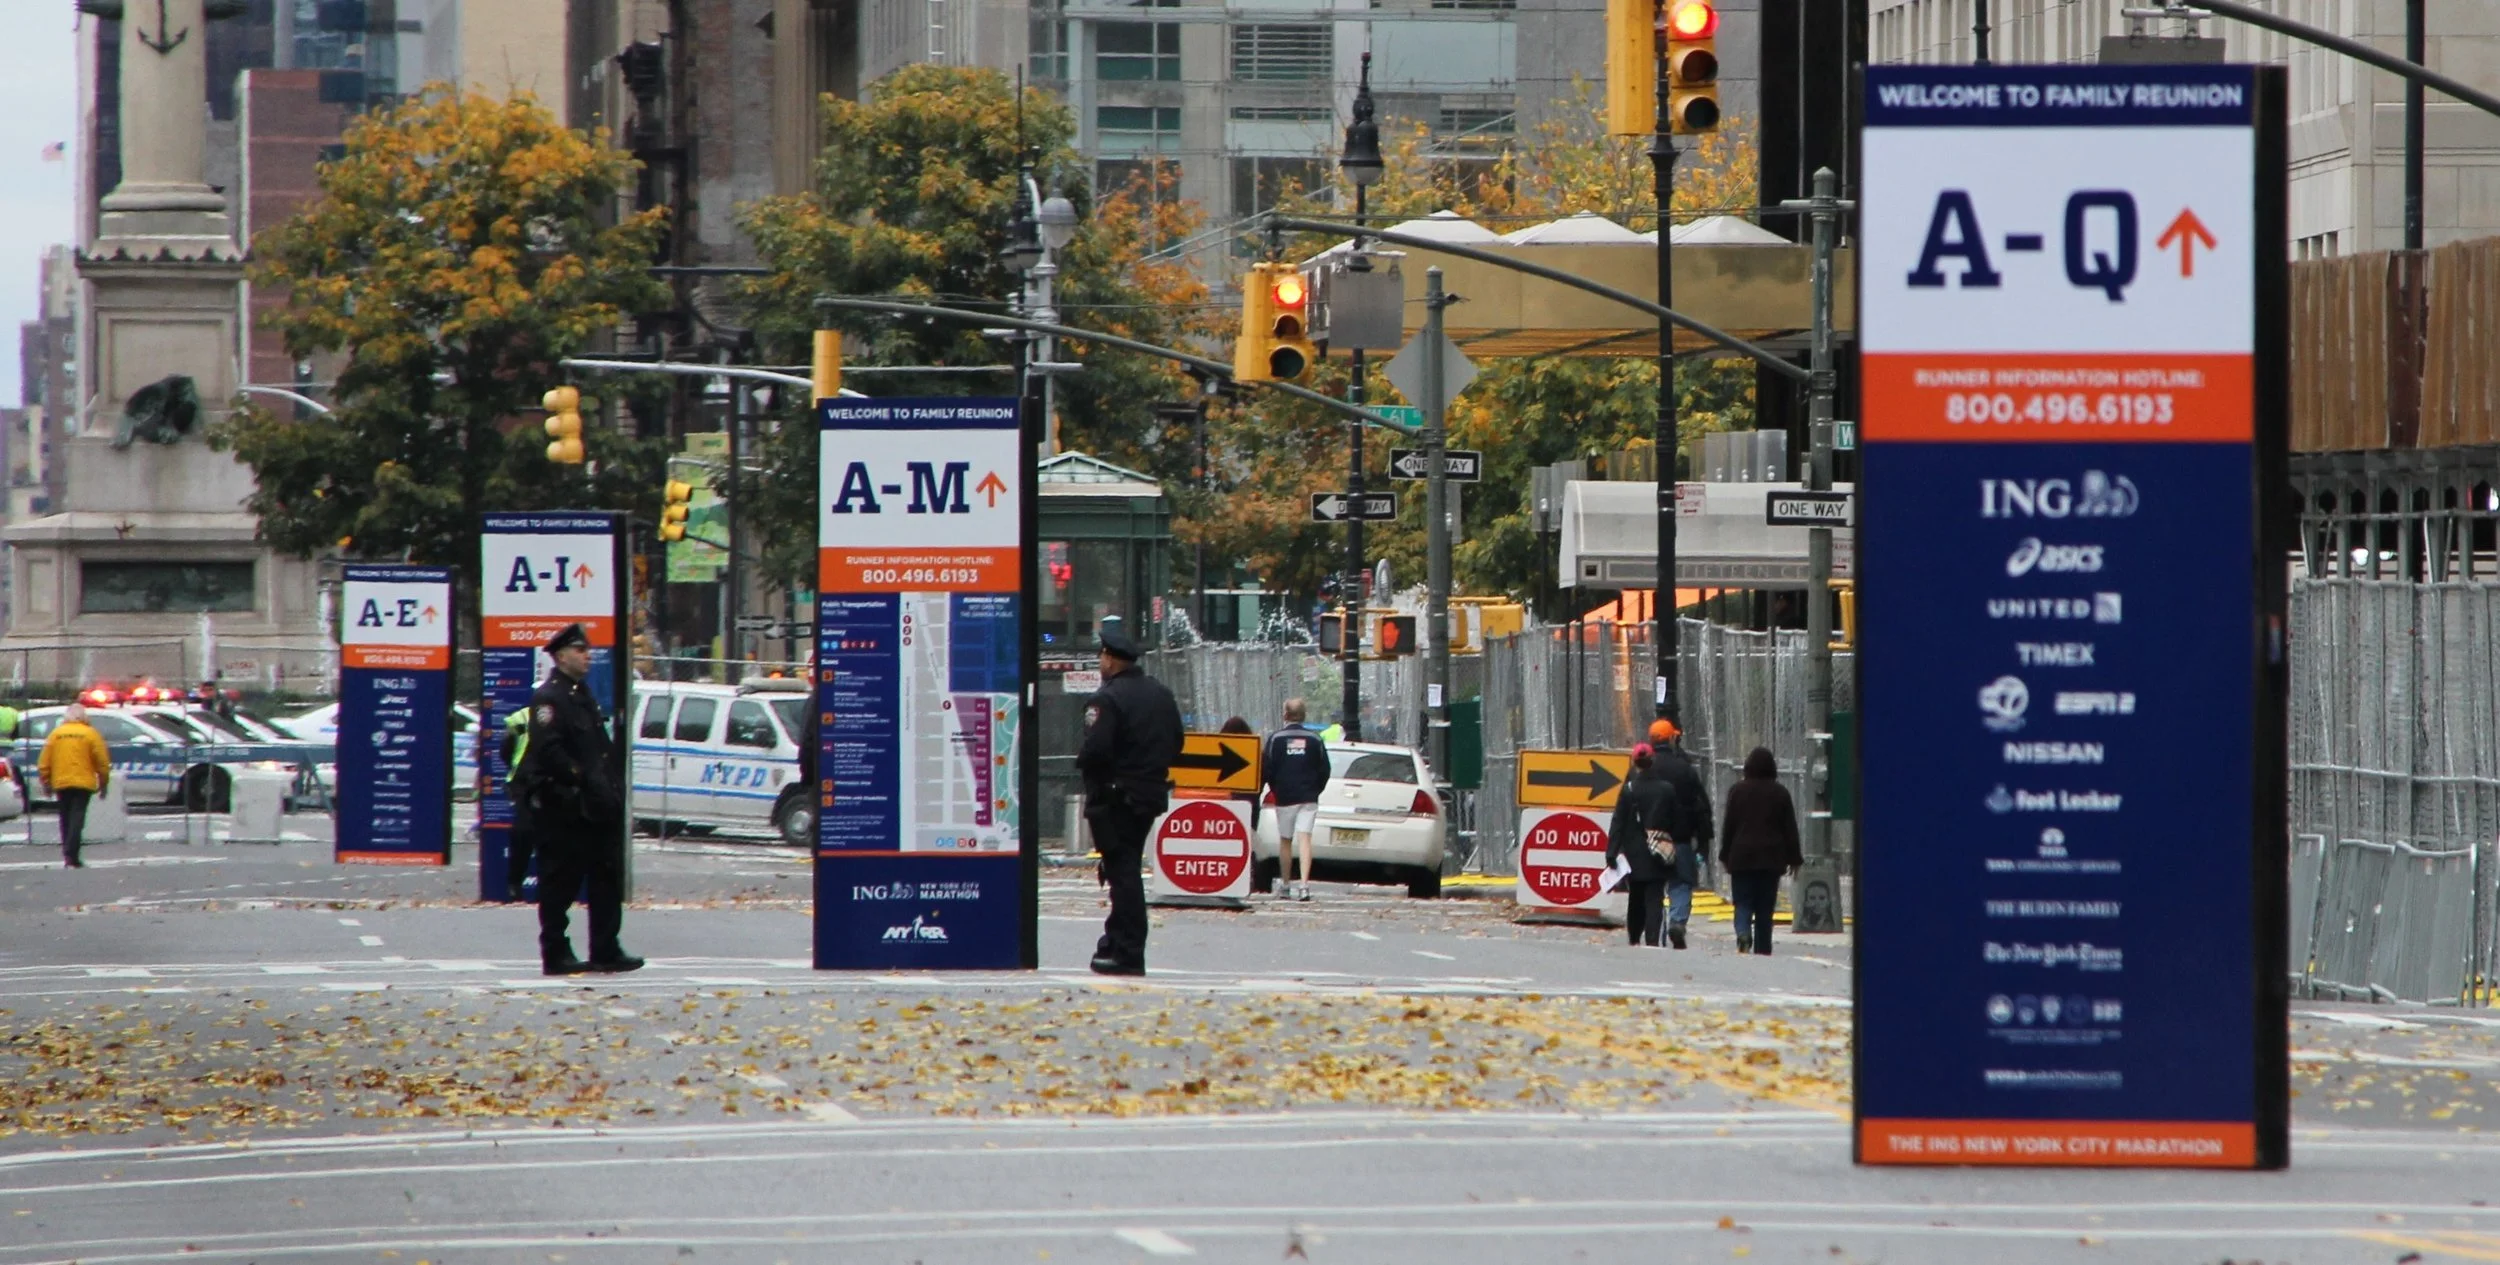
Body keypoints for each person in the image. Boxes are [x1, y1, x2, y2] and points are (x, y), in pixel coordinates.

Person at [515, 624, 641, 975]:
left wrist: (609, 785)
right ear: (560, 656)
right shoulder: (549, 697)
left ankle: (606, 947)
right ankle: (555, 951)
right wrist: (582, 779)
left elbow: (598, 749)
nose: (588, 656)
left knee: (606, 878)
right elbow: (549, 749)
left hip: (596, 807)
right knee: (560, 881)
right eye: (580, 650)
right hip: (567, 808)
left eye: (587, 650)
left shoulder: (581, 693)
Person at [1076, 626, 1182, 976]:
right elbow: (1177, 743)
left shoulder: (1108, 699)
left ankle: (1128, 950)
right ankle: (1115, 940)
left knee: (1123, 874)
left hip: (1115, 796)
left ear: (1110, 658)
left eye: (1102, 657)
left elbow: (1096, 750)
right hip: (1149, 795)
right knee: (1125, 868)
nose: (1100, 662)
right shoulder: (1161, 695)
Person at [1719, 746, 1803, 955]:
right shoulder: (1780, 793)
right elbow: (1789, 829)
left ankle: (1743, 932)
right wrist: (1795, 859)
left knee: (1743, 902)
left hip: (1741, 856)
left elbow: (1729, 825)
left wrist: (1725, 854)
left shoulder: (1737, 791)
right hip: (1771, 858)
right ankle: (1763, 948)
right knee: (1765, 909)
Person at [1645, 717, 1714, 949]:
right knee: (1680, 883)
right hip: (1681, 838)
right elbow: (1701, 807)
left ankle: (1654, 931)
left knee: (1653, 885)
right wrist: (1703, 841)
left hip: (1650, 838)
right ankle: (1677, 921)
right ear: (1672, 738)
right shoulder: (1685, 770)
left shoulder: (1643, 768)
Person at [1260, 697, 1331, 901]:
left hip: (1285, 797)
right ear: (1304, 715)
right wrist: (1316, 789)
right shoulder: (1315, 739)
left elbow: (1267, 768)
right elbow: (1324, 768)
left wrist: (1274, 787)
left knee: (1285, 840)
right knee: (1305, 838)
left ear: (1285, 715)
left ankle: (1285, 884)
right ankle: (1304, 885)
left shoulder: (1276, 739)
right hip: (1308, 797)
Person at [1607, 743, 1678, 946]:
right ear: (1652, 761)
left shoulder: (1629, 790)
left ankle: (1634, 937)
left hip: (1634, 854)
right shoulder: (1666, 790)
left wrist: (1612, 852)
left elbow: (1618, 821)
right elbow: (1675, 820)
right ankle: (1653, 939)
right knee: (1655, 898)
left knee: (1636, 897)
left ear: (1634, 763)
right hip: (1658, 851)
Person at [38, 703, 111, 869]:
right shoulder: (91, 734)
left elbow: (44, 761)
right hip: (83, 782)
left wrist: (46, 781)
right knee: (77, 818)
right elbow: (102, 761)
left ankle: (67, 854)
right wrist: (104, 782)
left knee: (65, 817)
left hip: (61, 782)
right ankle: (72, 854)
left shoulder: (56, 734)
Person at [498, 708, 538, 902]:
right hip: (525, 782)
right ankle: (515, 884)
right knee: (523, 833)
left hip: (553, 780)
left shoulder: (568, 713)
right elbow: (506, 749)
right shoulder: (521, 717)